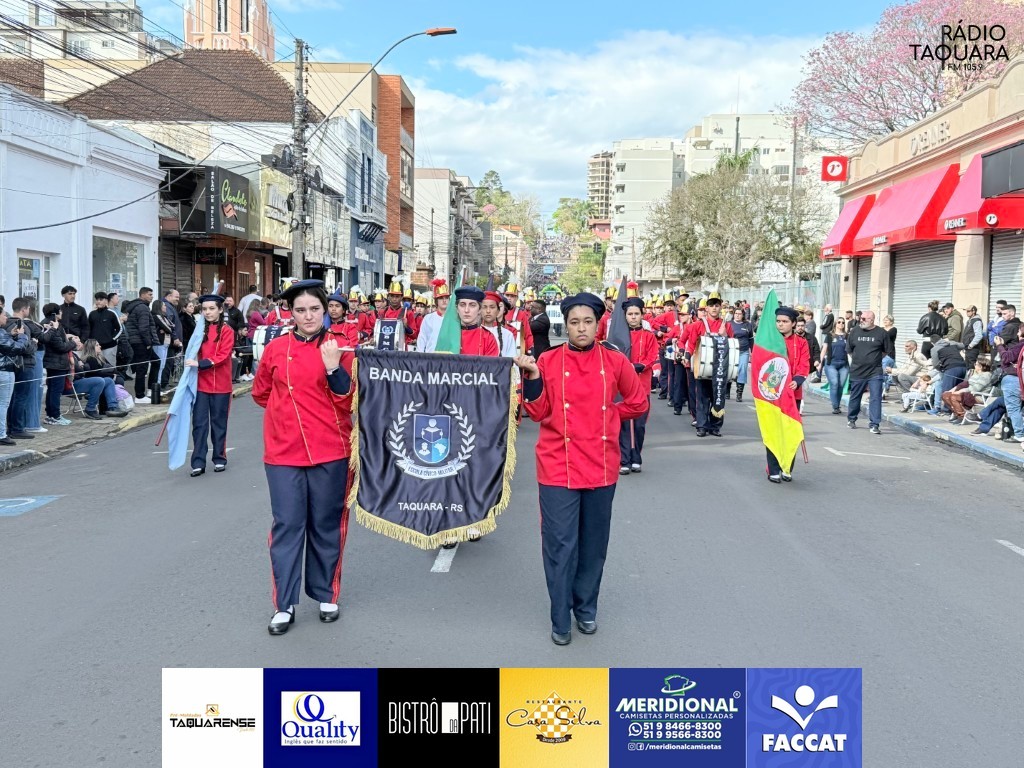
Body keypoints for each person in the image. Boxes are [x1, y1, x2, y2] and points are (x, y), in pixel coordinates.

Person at [516, 292, 647, 645]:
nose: (581, 328)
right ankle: (560, 618)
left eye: (588, 321)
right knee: (560, 544)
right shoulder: (548, 360)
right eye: (574, 322)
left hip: (602, 465)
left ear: (598, 325)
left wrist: (609, 415)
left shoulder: (615, 361)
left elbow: (638, 402)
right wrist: (532, 375)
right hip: (557, 464)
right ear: (566, 325)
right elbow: (538, 412)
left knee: (593, 544)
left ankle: (586, 609)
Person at [252, 280, 355, 635]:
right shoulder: (276, 348)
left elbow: (349, 398)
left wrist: (333, 367)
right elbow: (261, 393)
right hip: (283, 451)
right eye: (300, 310)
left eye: (314, 309)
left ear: (325, 310)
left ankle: (326, 593)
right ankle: (284, 604)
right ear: (290, 313)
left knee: (327, 523)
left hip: (331, 449)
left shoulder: (340, 347)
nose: (308, 316)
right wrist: (285, 418)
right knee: (287, 525)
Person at [184, 296, 236, 477]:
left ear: (220, 310)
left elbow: (223, 355)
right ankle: (198, 462)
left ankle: (219, 458)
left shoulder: (227, 331)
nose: (207, 312)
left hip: (221, 385)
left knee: (219, 424)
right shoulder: (199, 330)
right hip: (201, 385)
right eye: (204, 309)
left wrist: (200, 363)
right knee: (199, 425)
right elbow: (192, 350)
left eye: (212, 308)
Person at [765, 307, 809, 483]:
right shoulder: (769, 342)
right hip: (772, 395)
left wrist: (797, 380)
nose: (780, 324)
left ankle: (787, 467)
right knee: (773, 432)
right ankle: (773, 469)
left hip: (792, 394)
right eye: (778, 321)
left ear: (793, 323)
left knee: (790, 432)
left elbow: (804, 364)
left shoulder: (801, 343)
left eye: (784, 322)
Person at [683, 293, 734, 437]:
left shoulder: (726, 325)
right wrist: (687, 357)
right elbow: (692, 343)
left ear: (720, 308)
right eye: (711, 305)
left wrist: (725, 336)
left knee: (718, 397)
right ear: (707, 308)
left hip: (720, 368)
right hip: (702, 366)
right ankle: (702, 426)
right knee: (702, 398)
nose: (714, 308)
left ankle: (715, 426)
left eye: (717, 305)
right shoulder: (699, 325)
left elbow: (733, 345)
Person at [618, 296, 658, 474]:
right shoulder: (619, 337)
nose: (633, 317)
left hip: (642, 384)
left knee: (639, 425)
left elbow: (653, 355)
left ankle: (636, 458)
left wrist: (642, 365)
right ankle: (624, 460)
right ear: (625, 316)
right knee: (624, 425)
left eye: (636, 314)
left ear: (642, 315)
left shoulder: (649, 336)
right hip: (622, 386)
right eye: (630, 314)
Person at [847, 310, 893, 434]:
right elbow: (849, 350)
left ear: (872, 320)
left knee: (876, 397)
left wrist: (874, 359)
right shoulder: (854, 331)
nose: (861, 320)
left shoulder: (881, 333)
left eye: (864, 319)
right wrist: (859, 360)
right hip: (858, 370)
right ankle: (851, 418)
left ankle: (875, 424)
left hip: (875, 371)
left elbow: (886, 350)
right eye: (860, 318)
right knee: (855, 396)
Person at [5, 298, 43, 438]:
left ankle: (11, 427)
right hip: (24, 364)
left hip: (11, 365)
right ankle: (17, 428)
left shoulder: (5, 325)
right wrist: (34, 343)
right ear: (23, 309)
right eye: (28, 308)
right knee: (21, 397)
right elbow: (25, 348)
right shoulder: (23, 326)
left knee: (13, 397)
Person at [38, 304, 79, 426]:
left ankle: (51, 415)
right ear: (54, 314)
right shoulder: (53, 325)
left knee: (52, 390)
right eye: (60, 311)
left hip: (53, 362)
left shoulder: (46, 323)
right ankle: (54, 415)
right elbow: (60, 346)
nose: (61, 313)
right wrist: (73, 343)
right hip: (57, 363)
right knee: (56, 391)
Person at [72, 341, 130, 419]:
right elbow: (91, 373)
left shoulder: (100, 357)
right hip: (79, 382)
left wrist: (112, 373)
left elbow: (112, 368)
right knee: (101, 381)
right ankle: (91, 408)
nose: (100, 346)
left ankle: (112, 407)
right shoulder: (88, 358)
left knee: (110, 380)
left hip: (87, 379)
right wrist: (111, 374)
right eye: (97, 345)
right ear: (91, 348)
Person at [0, 307, 32, 446]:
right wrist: (22, 336)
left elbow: (5, 345)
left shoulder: (3, 333)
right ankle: (1, 434)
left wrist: (11, 335)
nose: (6, 317)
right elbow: (16, 348)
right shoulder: (0, 332)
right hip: (4, 370)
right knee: (3, 404)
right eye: (3, 315)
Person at [124, 288, 159, 404]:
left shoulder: (137, 306)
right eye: (149, 294)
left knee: (156, 361)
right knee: (142, 368)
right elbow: (144, 328)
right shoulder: (142, 308)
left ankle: (150, 390)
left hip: (137, 341)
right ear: (142, 295)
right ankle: (139, 396)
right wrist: (148, 342)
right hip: (141, 342)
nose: (152, 297)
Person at [992, 319, 1024, 443]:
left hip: (1013, 379)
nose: (1017, 334)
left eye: (1019, 331)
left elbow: (1006, 358)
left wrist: (999, 346)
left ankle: (1019, 434)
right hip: (1018, 379)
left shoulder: (1021, 345)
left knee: (1013, 408)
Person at [451, 286, 501, 357]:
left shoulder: (488, 338)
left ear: (480, 309)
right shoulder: (448, 334)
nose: (466, 310)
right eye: (462, 305)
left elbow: (491, 363)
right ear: (457, 308)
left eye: (472, 305)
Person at [928, 339, 967, 415]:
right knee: (957, 388)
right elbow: (963, 345)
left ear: (932, 343)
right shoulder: (952, 344)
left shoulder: (935, 348)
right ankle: (957, 408)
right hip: (963, 367)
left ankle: (947, 410)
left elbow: (935, 364)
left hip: (951, 368)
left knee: (946, 389)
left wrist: (941, 369)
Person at [821, 318, 849, 414]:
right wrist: (819, 363)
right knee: (834, 383)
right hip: (831, 363)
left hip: (844, 364)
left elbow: (851, 350)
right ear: (835, 324)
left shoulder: (847, 336)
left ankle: (837, 403)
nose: (841, 324)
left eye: (843, 322)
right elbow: (824, 349)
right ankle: (835, 406)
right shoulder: (830, 335)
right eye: (839, 322)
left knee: (841, 386)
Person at [793, 316, 820, 413]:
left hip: (807, 368)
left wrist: (817, 360)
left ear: (805, 326)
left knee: (803, 389)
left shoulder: (811, 338)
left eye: (802, 326)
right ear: (795, 326)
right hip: (794, 368)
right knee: (794, 388)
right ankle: (796, 408)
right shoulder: (792, 338)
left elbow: (816, 350)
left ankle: (799, 406)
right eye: (798, 326)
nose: (800, 327)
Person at [88, 291, 121, 370]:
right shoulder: (92, 314)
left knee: (110, 369)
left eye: (101, 299)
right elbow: (88, 329)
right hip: (95, 348)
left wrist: (112, 339)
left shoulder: (112, 313)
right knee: (95, 369)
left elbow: (120, 329)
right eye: (97, 299)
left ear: (106, 301)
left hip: (110, 347)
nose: (98, 301)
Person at [416, 279, 450, 353]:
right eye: (441, 298)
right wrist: (419, 356)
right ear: (436, 300)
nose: (444, 300)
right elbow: (422, 339)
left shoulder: (454, 319)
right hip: (431, 357)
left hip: (449, 357)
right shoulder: (428, 318)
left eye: (446, 298)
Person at [728, 306, 753, 402]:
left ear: (743, 315)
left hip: (744, 352)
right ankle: (727, 391)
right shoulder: (728, 324)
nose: (738, 315)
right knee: (730, 370)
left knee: (742, 371)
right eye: (736, 314)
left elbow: (751, 339)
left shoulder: (748, 325)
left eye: (740, 314)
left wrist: (752, 351)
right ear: (733, 314)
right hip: (731, 351)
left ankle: (739, 394)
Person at [481, 291, 517, 357]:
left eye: (492, 307)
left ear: (498, 310)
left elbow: (511, 360)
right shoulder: (475, 332)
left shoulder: (508, 335)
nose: (488, 311)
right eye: (484, 307)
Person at [502, 283, 535, 354]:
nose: (509, 298)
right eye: (507, 295)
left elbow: (527, 334)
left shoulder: (521, 314)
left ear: (517, 298)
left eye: (512, 296)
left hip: (517, 352)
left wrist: (531, 348)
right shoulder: (496, 312)